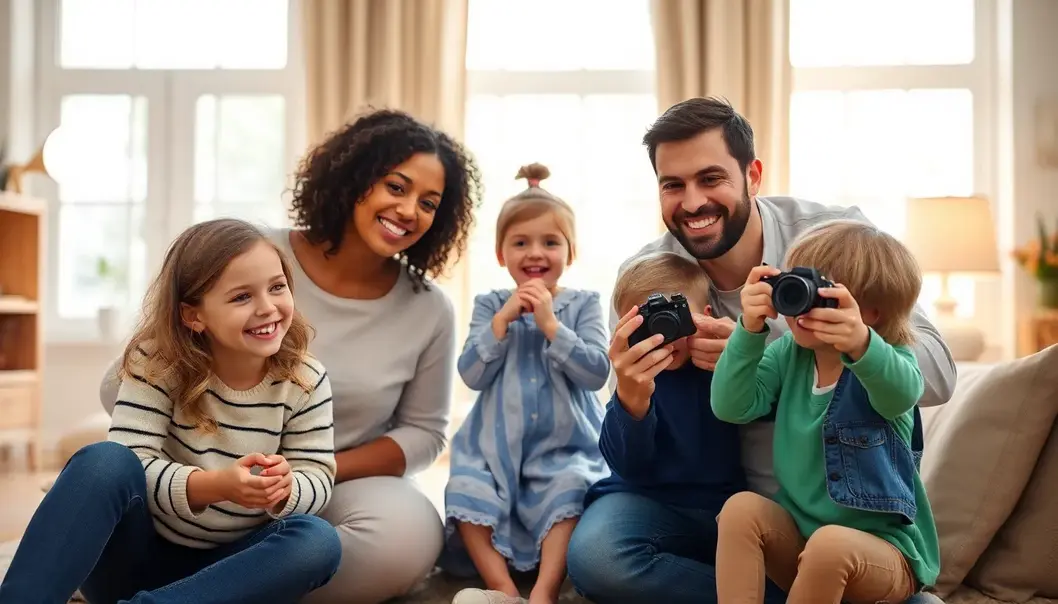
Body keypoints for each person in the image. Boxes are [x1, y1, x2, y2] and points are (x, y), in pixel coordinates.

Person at [566, 96, 955, 604]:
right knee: (599, 557)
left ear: (753, 174)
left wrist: (778, 340)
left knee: (839, 554)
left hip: (822, 507)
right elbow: (632, 459)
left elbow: (939, 373)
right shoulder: (651, 276)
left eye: (711, 179)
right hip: (697, 501)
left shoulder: (830, 241)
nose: (691, 203)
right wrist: (630, 397)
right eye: (672, 185)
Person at [98, 108, 484, 603]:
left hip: (323, 482)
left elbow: (425, 434)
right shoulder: (255, 254)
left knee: (408, 535)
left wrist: (304, 471)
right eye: (396, 186)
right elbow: (126, 381)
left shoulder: (430, 309)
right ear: (355, 178)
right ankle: (230, 583)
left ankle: (200, 588)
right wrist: (215, 473)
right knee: (105, 472)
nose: (409, 210)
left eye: (429, 202)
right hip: (198, 469)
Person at [0, 218, 342, 603]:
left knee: (318, 540)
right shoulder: (156, 362)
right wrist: (217, 486)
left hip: (226, 578)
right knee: (104, 460)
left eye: (277, 287)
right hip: (135, 559)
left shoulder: (305, 379)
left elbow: (317, 474)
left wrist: (287, 489)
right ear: (193, 315)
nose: (268, 307)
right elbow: (132, 465)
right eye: (241, 297)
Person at [711, 220, 941, 604]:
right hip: (803, 544)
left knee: (830, 544)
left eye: (824, 295)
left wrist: (862, 345)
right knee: (740, 509)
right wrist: (748, 330)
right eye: (797, 285)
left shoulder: (890, 362)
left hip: (885, 555)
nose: (802, 306)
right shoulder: (790, 354)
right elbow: (730, 406)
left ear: (871, 312)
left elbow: (901, 393)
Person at [442, 164, 611, 604]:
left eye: (550, 242)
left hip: (566, 446)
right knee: (463, 487)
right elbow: (470, 375)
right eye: (520, 243)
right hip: (492, 449)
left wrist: (552, 326)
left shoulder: (583, 305)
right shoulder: (490, 305)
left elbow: (597, 372)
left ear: (569, 253)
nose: (535, 253)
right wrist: (501, 323)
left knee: (572, 485)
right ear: (501, 255)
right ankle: (500, 589)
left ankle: (544, 591)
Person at [565, 251, 760, 604]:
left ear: (707, 317)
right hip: (643, 501)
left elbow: (777, 405)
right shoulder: (635, 374)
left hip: (723, 512)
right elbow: (627, 466)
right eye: (649, 322)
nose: (665, 332)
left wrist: (741, 360)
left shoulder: (726, 362)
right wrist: (631, 399)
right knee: (596, 558)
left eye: (676, 316)